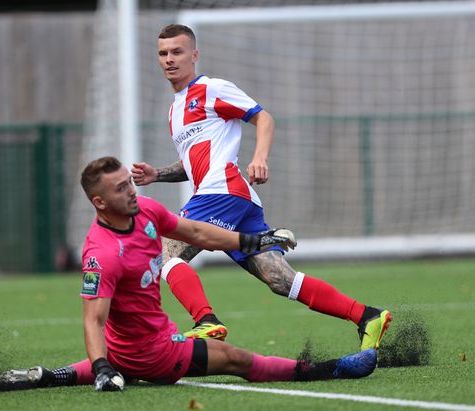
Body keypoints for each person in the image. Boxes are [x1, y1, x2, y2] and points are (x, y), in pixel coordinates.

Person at [1, 156, 377, 392]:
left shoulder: (144, 210)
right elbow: (92, 320)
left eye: (129, 183)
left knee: (125, 360)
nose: (131, 192)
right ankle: (331, 370)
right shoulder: (101, 255)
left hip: (133, 346)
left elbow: (196, 232)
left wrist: (253, 240)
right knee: (238, 360)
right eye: (120, 189)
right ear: (99, 203)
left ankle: (54, 376)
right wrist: (101, 367)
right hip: (153, 353)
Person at [130, 24, 391, 349]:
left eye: (177, 52)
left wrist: (260, 158)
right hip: (235, 200)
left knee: (162, 251)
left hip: (221, 193)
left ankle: (206, 321)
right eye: (163, 53)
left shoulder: (211, 89)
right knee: (281, 280)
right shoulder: (175, 111)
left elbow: (263, 118)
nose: (170, 59)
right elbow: (192, 162)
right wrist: (157, 174)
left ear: (194, 55)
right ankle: (367, 316)